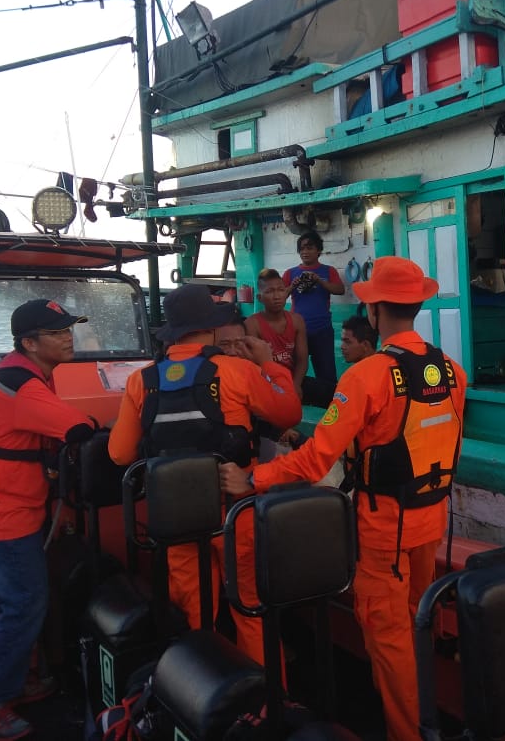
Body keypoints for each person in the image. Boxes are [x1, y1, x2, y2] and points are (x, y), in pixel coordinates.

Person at [220, 257, 467, 741]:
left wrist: (253, 480)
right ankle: (430, 717)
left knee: (390, 638)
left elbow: (316, 461)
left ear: (373, 311)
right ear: (417, 305)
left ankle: (408, 734)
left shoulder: (366, 376)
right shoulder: (452, 371)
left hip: (383, 533)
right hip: (432, 524)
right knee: (419, 626)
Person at [108, 284, 302, 666]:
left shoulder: (142, 380)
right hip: (235, 510)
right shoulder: (237, 371)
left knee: (196, 617)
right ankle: (267, 707)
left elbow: (119, 454)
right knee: (251, 609)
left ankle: (204, 697)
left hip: (177, 513)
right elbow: (289, 414)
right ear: (211, 329)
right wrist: (268, 363)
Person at [0, 299, 97, 740]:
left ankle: (14, 681)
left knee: (4, 601)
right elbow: (79, 429)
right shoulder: (25, 386)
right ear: (29, 342)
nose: (68, 337)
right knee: (24, 603)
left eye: (68, 329)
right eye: (57, 333)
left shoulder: (13, 369)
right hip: (5, 509)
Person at [283, 231, 345, 397]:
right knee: (294, 372)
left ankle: (331, 409)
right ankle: (292, 404)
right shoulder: (290, 273)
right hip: (296, 331)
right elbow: (280, 297)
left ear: (318, 250)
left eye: (310, 247)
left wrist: (319, 281)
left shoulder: (328, 271)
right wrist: (292, 286)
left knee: (327, 373)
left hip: (322, 330)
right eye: (302, 248)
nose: (305, 251)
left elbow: (340, 290)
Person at [244, 268, 308, 396]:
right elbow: (255, 365)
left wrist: (295, 385)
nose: (277, 296)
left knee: (330, 392)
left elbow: (302, 359)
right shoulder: (252, 324)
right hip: (265, 381)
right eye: (270, 291)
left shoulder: (297, 321)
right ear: (260, 298)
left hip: (292, 379)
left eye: (281, 290)